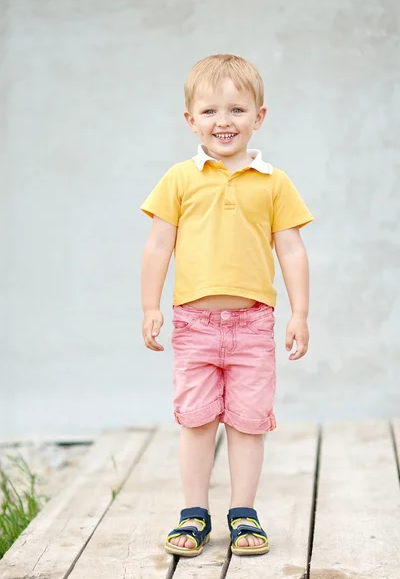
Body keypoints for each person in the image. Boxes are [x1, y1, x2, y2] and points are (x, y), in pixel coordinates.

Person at [140, 54, 314, 557]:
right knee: (195, 420)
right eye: (210, 111)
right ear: (190, 119)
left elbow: (292, 249)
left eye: (237, 110)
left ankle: (243, 513)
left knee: (247, 421)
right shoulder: (179, 178)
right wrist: (150, 305)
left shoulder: (273, 181)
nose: (223, 122)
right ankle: (194, 513)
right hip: (194, 324)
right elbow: (157, 246)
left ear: (259, 116)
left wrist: (299, 313)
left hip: (254, 325)